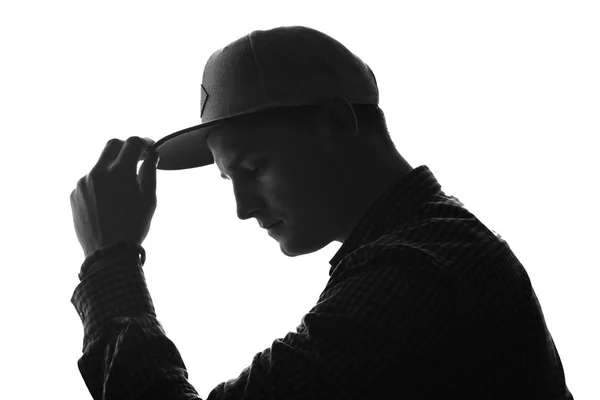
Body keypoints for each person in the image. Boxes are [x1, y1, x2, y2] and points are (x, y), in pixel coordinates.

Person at [69, 26, 573, 399]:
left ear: (335, 124)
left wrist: (110, 263)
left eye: (254, 166)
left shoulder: (417, 276)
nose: (243, 208)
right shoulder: (434, 249)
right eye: (229, 179)